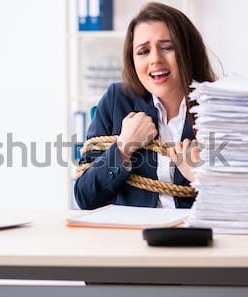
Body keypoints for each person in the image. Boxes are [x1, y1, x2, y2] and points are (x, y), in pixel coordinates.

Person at [74, 2, 216, 210]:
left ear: (188, 51)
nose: (155, 59)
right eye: (143, 51)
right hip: (131, 236)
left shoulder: (219, 107)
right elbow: (86, 197)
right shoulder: (116, 101)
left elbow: (245, 203)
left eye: (167, 47)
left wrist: (199, 176)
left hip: (195, 233)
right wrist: (123, 147)